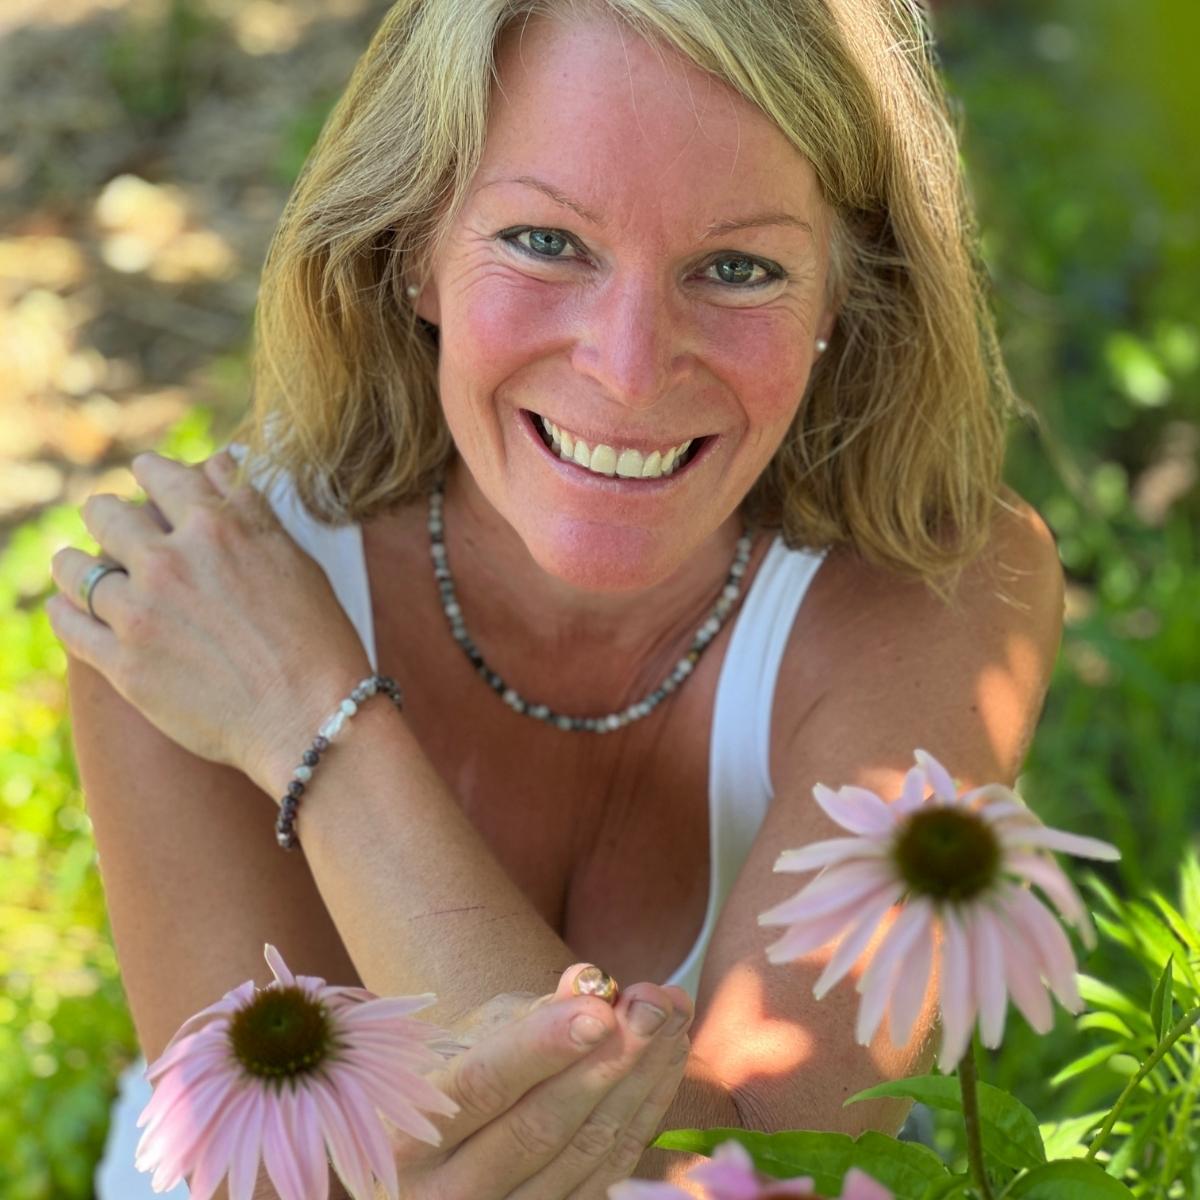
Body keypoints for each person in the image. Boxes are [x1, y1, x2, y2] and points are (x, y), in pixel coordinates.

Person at [51, 1, 1064, 1196]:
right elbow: (257, 1171)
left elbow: (768, 1180)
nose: (629, 368)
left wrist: (316, 724)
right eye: (546, 241)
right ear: (413, 244)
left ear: (844, 296)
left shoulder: (940, 593)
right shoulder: (198, 604)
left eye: (737, 268)